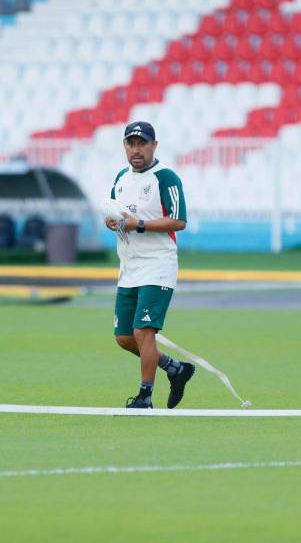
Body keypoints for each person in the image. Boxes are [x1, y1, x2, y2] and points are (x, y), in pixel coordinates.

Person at [106, 121, 194, 409]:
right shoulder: (121, 178)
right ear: (125, 147)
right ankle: (174, 369)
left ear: (154, 145)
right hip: (129, 266)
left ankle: (145, 397)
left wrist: (138, 224)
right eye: (131, 144)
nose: (136, 149)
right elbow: (114, 213)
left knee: (144, 332)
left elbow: (179, 221)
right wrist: (112, 222)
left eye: (142, 143)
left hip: (158, 264)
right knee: (124, 337)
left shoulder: (166, 178)